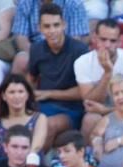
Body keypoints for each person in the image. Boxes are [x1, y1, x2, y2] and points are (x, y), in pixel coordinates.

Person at [75, 19, 123, 140]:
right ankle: (89, 157)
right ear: (95, 39)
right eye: (103, 39)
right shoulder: (82, 62)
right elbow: (89, 101)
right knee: (90, 119)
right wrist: (107, 73)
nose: (108, 45)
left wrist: (106, 110)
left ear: (119, 42)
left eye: (113, 41)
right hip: (98, 112)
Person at [28, 3, 90, 148]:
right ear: (39, 28)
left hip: (71, 109)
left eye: (56, 25)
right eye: (47, 26)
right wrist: (28, 95)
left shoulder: (80, 50)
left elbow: (84, 92)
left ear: (64, 25)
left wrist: (48, 94)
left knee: (48, 125)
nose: (52, 31)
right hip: (42, 106)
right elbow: (31, 78)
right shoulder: (36, 49)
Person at [0, 74, 49, 161]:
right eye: (12, 92)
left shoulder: (39, 118)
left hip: (29, 166)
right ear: (4, 96)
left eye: (21, 92)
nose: (17, 96)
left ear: (27, 95)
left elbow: (36, 148)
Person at [11, 0, 88, 74]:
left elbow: (75, 40)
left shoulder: (74, 3)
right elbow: (21, 37)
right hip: (34, 50)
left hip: (65, 52)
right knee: (21, 60)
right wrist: (38, 57)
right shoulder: (25, 2)